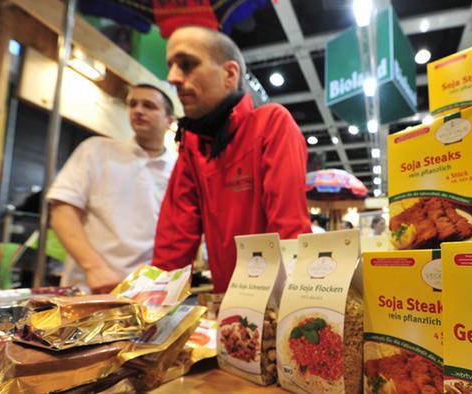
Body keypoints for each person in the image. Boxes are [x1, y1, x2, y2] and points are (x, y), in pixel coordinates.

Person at [152, 26, 311, 294]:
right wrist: (151, 312)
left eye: (187, 64)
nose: (173, 77)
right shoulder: (192, 146)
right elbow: (173, 247)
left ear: (229, 74)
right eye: (171, 67)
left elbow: (289, 236)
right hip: (230, 312)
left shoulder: (271, 124)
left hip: (277, 306)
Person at [47, 84, 176, 293]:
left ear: (169, 120)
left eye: (149, 105)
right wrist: (95, 268)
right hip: (89, 288)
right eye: (133, 104)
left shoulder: (177, 170)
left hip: (147, 293)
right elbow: (63, 212)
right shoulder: (96, 150)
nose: (138, 110)